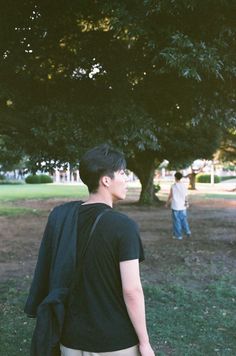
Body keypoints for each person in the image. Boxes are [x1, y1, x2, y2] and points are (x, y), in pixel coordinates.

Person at [24, 144, 155, 356]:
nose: (126, 179)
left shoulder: (63, 217)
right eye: (122, 173)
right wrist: (145, 342)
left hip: (70, 340)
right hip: (114, 342)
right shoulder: (123, 226)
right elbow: (132, 290)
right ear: (106, 180)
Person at [165, 172, 191, 240]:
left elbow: (170, 195)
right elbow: (186, 196)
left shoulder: (173, 186)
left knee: (176, 221)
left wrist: (167, 203)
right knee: (183, 219)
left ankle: (178, 235)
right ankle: (187, 231)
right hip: (183, 206)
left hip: (175, 205)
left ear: (175, 177)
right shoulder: (184, 186)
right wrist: (186, 203)